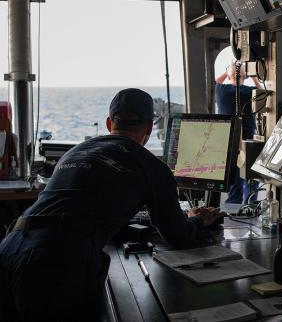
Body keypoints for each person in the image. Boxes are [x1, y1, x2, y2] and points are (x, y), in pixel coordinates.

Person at [0, 88, 222, 322]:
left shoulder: (75, 152)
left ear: (109, 123)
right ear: (148, 128)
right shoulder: (151, 166)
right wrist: (197, 219)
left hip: (9, 247)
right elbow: (178, 235)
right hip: (55, 260)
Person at [215, 61, 262, 204]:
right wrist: (252, 76)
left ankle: (232, 207)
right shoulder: (250, 91)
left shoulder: (221, 90)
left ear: (229, 76)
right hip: (247, 139)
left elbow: (217, 80)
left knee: (234, 179)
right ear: (245, 76)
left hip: (228, 140)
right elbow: (262, 91)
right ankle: (251, 206)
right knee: (250, 177)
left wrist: (229, 69)